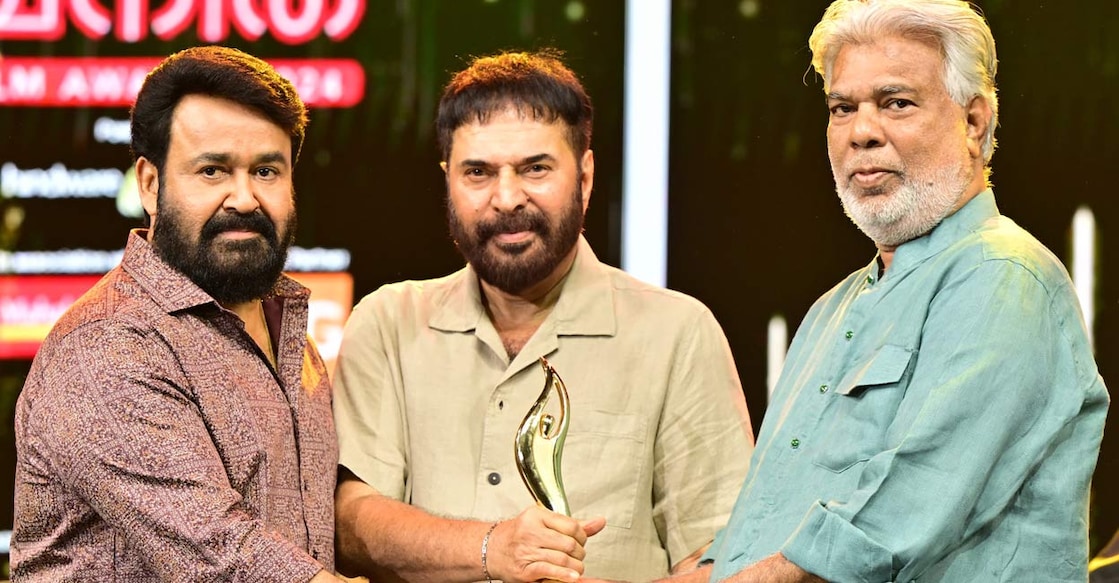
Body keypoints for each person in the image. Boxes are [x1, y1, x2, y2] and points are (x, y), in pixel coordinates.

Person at [613, 1, 1110, 582]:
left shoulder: (1005, 276)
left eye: (896, 103)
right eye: (842, 108)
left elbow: (893, 521)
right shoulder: (831, 310)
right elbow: (758, 536)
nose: (862, 133)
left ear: (974, 122)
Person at [332, 50, 754, 583]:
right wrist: (492, 548)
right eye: (478, 173)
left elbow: (720, 556)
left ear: (585, 175)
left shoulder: (677, 333)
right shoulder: (388, 323)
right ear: (448, 182)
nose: (507, 198)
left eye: (535, 168)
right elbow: (350, 523)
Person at [12, 46, 342, 582]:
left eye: (266, 170)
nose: (244, 198)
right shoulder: (107, 344)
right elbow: (226, 558)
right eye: (212, 170)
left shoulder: (291, 338)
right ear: (149, 184)